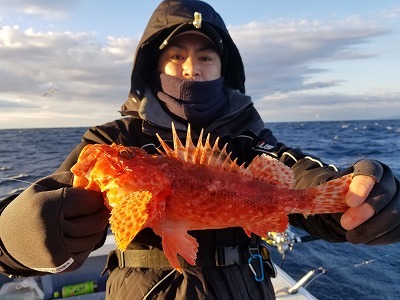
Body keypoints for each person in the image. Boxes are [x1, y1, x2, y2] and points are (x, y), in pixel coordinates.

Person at [0, 0, 399, 299]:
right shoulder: (116, 140)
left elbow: (295, 173)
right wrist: (28, 231)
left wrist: (360, 199)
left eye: (205, 56)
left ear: (224, 68)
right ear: (154, 67)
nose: (191, 68)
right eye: (176, 56)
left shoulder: (248, 138)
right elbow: (49, 197)